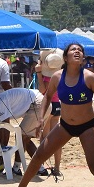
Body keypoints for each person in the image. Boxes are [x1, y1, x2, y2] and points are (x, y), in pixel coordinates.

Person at [5, 43, 94, 187]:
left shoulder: (89, 77)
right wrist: (40, 119)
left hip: (88, 125)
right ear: (65, 58)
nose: (77, 51)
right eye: (73, 49)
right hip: (65, 125)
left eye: (80, 50)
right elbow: (46, 97)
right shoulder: (57, 77)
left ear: (82, 58)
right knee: (38, 156)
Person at [0, 87, 48, 176]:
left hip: (39, 103)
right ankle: (41, 169)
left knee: (21, 136)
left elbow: (6, 128)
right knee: (25, 139)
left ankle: (16, 169)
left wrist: (2, 151)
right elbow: (1, 130)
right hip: (35, 103)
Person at [36, 48, 64, 177]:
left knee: (45, 138)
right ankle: (57, 167)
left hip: (48, 105)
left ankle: (41, 165)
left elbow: (43, 90)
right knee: (56, 139)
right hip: (58, 104)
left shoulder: (47, 76)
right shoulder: (61, 74)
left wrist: (39, 74)